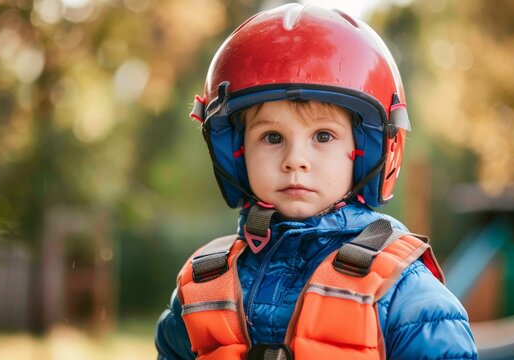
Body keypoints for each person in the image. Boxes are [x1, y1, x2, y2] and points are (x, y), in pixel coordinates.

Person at [155, 3, 478, 359]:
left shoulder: (404, 294)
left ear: (367, 151)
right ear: (236, 151)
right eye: (272, 138)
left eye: (323, 136)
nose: (296, 160)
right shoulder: (202, 286)